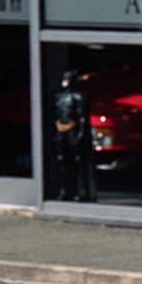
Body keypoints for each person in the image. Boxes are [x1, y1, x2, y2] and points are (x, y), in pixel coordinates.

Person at [52, 70, 96, 202]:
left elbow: (83, 119)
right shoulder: (59, 97)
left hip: (73, 131)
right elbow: (56, 114)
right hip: (61, 130)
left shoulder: (79, 98)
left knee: (79, 161)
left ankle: (83, 191)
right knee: (63, 161)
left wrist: (80, 134)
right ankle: (66, 190)